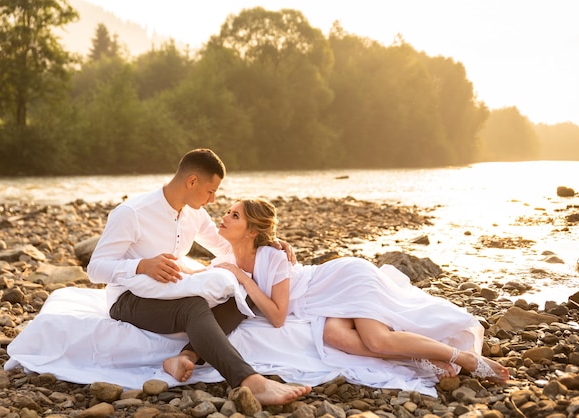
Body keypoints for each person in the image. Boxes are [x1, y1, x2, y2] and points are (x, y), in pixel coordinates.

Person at [86, 149, 310, 405]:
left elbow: (228, 247)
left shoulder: (195, 214)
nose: (213, 200)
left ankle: (185, 356)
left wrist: (268, 243)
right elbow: (95, 268)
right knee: (193, 306)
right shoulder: (132, 213)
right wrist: (141, 265)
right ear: (192, 181)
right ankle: (249, 380)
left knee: (238, 294)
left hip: (168, 291)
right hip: (129, 298)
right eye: (210, 191)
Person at [208, 198, 510, 384]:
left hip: (342, 280)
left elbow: (277, 317)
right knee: (336, 338)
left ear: (250, 230)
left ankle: (462, 358)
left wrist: (241, 277)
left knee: (376, 339)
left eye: (234, 215)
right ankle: (422, 358)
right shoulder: (231, 258)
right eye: (228, 211)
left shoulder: (271, 255)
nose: (224, 216)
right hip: (323, 304)